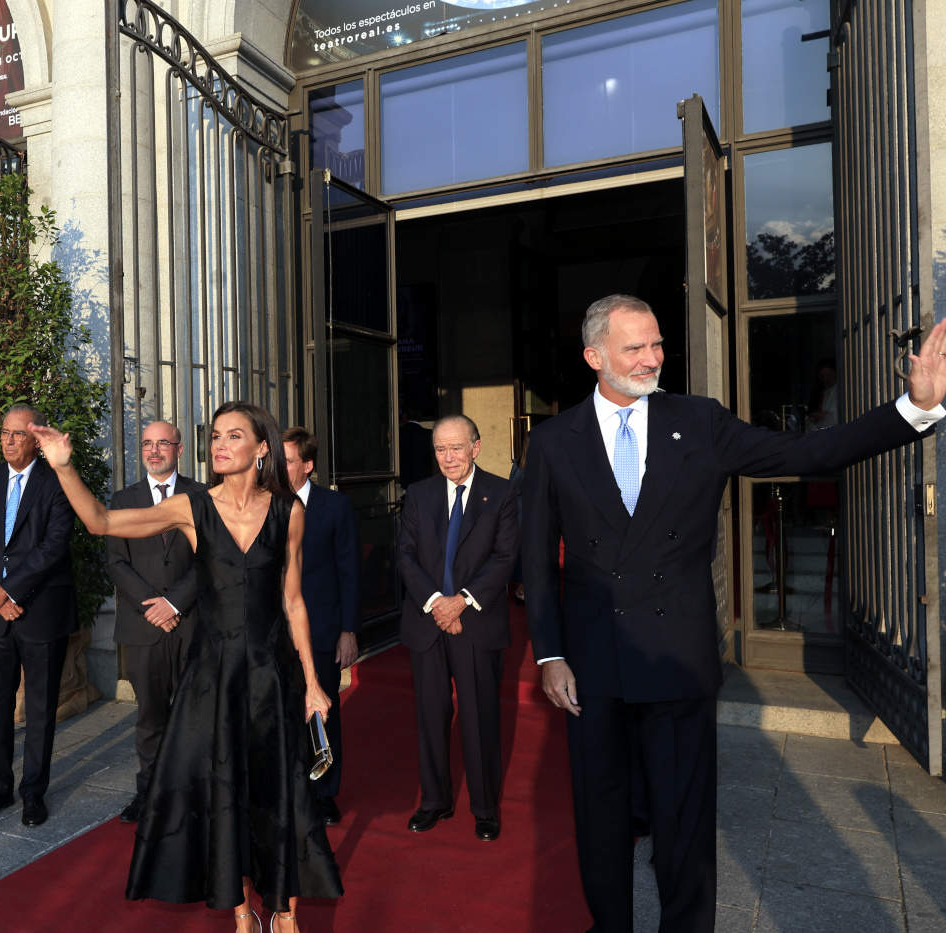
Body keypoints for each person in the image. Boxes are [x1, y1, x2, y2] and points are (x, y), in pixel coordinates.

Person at [522, 294, 946, 933]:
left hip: (677, 660)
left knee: (683, 820)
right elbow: (534, 560)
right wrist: (550, 653)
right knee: (601, 814)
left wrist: (913, 407)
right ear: (594, 356)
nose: (652, 358)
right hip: (593, 661)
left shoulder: (699, 421)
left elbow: (809, 455)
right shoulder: (554, 441)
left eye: (657, 343)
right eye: (634, 347)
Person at [30, 402, 342, 933]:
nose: (219, 444)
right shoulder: (190, 506)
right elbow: (100, 522)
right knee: (226, 790)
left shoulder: (290, 511)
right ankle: (242, 908)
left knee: (277, 789)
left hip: (271, 676)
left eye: (233, 435)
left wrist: (313, 683)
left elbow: (293, 603)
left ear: (261, 447)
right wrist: (62, 465)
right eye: (215, 435)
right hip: (213, 678)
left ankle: (284, 909)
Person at [397, 414, 518, 841]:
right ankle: (434, 801)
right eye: (440, 449)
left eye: (456, 447)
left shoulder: (501, 494)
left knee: (480, 717)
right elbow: (405, 556)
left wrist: (460, 602)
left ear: (476, 447)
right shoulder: (418, 494)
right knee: (431, 717)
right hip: (427, 623)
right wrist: (436, 604)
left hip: (476, 622)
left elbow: (505, 558)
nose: (448, 457)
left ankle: (485, 808)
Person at [0, 403, 75, 829]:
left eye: (18, 434)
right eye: (4, 433)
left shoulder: (56, 482)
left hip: (39, 611)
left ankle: (33, 794)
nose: (8, 441)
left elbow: (54, 546)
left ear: (37, 438)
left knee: (40, 709)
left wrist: (9, 590)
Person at [105, 420, 204, 824]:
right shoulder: (121, 499)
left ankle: (191, 794)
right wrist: (154, 606)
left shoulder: (202, 496)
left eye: (163, 443)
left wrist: (175, 602)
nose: (154, 450)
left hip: (192, 624)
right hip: (143, 626)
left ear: (179, 449)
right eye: (147, 443)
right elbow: (115, 562)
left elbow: (212, 558)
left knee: (193, 716)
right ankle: (148, 794)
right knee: (149, 717)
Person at [281, 427, 359, 825]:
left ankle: (325, 793)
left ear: (308, 465)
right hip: (277, 631)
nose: (279, 467)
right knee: (282, 714)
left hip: (324, 629)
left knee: (322, 714)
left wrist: (348, 629)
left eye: (289, 460)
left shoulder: (334, 507)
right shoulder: (267, 503)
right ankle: (289, 790)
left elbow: (349, 570)